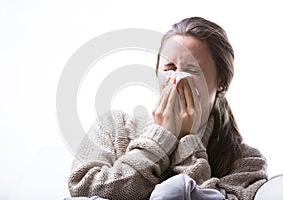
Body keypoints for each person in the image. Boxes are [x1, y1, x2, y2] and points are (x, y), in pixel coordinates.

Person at [68, 17, 267, 200]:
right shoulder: (114, 126)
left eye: (191, 70)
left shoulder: (247, 161)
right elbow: (82, 189)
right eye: (169, 68)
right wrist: (160, 138)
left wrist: (189, 143)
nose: (177, 79)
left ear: (221, 82)